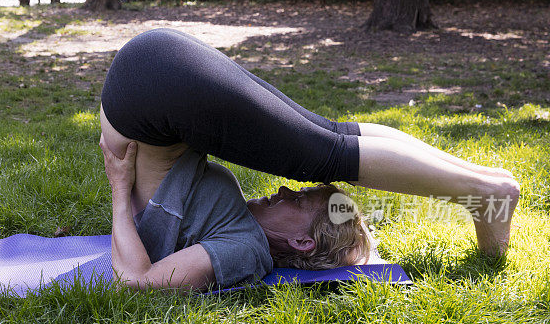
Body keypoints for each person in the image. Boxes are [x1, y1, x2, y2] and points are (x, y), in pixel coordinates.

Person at [98, 29, 519, 290]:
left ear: (302, 242)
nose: (283, 189)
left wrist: (119, 189)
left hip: (151, 94)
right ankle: (483, 182)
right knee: (328, 136)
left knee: (326, 151)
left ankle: (485, 192)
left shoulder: (245, 249)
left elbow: (140, 284)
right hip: (156, 81)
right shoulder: (240, 230)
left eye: (299, 201)